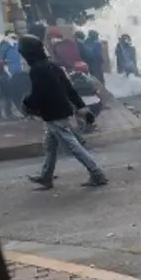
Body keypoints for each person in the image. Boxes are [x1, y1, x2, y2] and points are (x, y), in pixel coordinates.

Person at [18, 35, 108, 189]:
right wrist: (81, 107)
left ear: (27, 53)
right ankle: (46, 176)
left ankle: (97, 173)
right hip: (59, 111)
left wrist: (26, 104)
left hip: (53, 113)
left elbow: (39, 93)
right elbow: (69, 88)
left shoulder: (37, 70)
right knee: (50, 145)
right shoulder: (53, 66)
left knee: (73, 146)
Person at [65, 61, 107, 130]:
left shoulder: (71, 82)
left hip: (84, 108)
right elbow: (101, 93)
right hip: (96, 106)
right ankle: (91, 122)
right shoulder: (92, 79)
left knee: (75, 106)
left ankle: (84, 124)